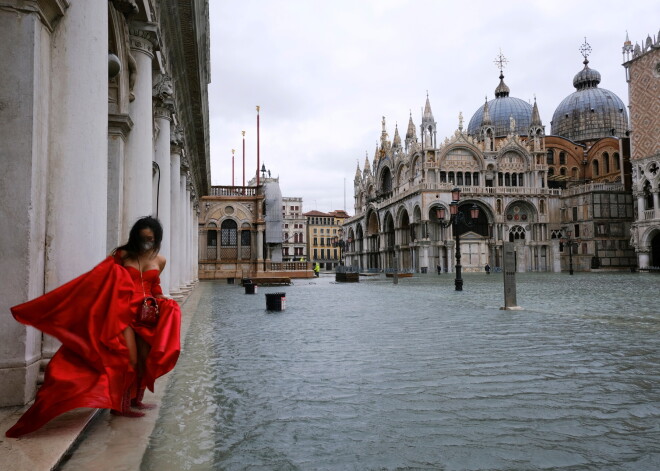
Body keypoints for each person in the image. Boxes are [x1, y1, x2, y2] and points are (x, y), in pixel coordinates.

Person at [5, 216, 181, 438]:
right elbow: (101, 279)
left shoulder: (160, 260)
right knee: (130, 358)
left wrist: (163, 299)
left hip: (146, 313)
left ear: (156, 239)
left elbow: (154, 286)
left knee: (145, 360)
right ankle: (121, 407)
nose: (146, 242)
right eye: (143, 238)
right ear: (135, 237)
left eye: (151, 239)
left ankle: (137, 400)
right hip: (122, 312)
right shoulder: (122, 255)